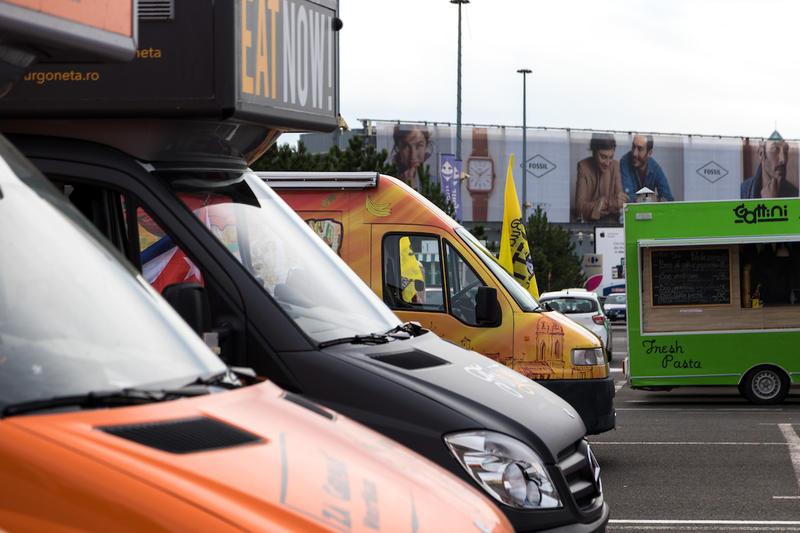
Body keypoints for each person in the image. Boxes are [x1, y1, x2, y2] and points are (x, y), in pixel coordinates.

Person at [574, 133, 628, 222]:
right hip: (588, 224)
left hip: (611, 224)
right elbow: (579, 208)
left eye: (611, 157)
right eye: (603, 157)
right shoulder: (583, 166)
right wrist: (606, 203)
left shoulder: (615, 166)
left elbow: (619, 202)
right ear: (594, 152)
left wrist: (619, 202)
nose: (607, 163)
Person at [740, 130, 797, 199]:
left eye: (785, 150)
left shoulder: (794, 193)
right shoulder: (743, 191)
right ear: (761, 153)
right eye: (775, 149)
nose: (783, 160)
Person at [620, 134, 674, 202]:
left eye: (639, 149)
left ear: (649, 153)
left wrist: (651, 199)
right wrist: (652, 198)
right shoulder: (625, 161)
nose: (634, 153)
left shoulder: (655, 168)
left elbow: (668, 198)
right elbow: (628, 198)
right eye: (633, 146)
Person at [391, 124, 432, 189]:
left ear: (426, 146)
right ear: (398, 148)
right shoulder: (389, 181)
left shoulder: (435, 183)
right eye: (406, 146)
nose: (413, 156)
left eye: (419, 145)